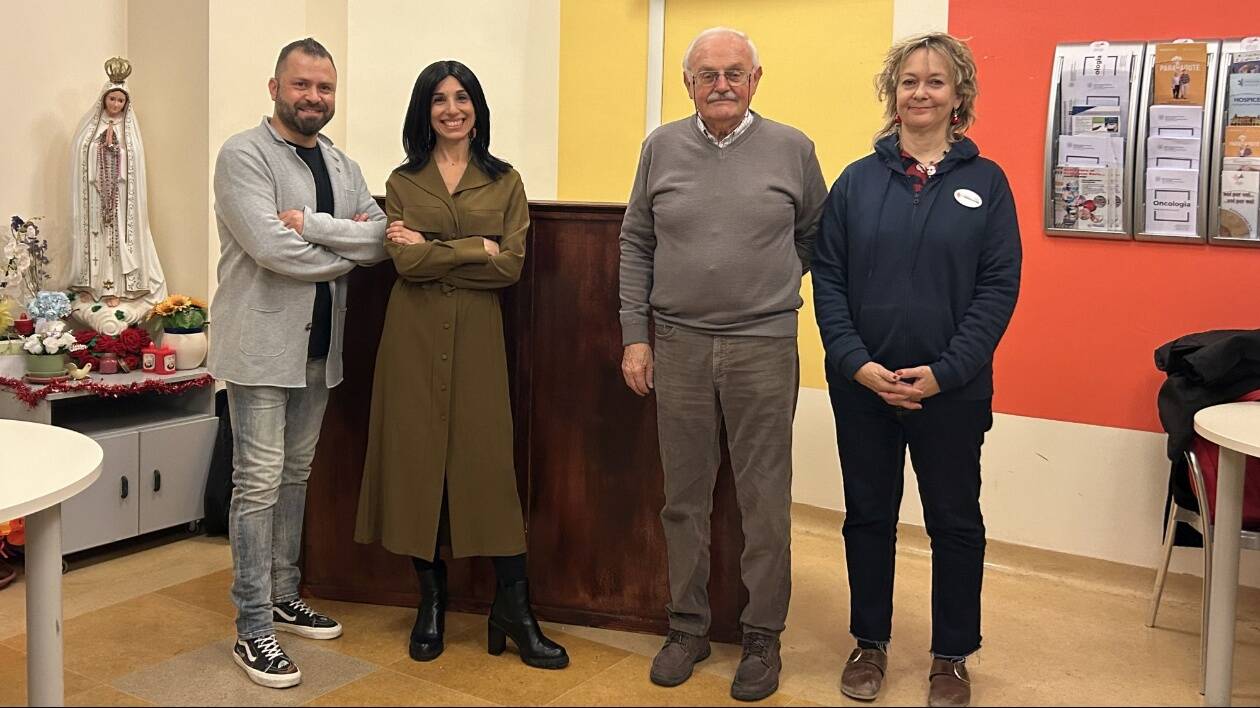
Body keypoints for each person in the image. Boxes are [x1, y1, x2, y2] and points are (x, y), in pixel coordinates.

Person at [811, 32, 1022, 707]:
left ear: (958, 96)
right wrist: (854, 362)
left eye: (935, 81)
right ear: (892, 94)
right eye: (908, 81)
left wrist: (947, 370)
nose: (920, 92)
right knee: (868, 517)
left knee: (955, 523)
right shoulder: (855, 181)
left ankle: (951, 657)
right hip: (862, 388)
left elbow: (998, 288)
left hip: (951, 394)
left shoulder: (987, 184)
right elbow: (829, 279)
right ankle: (868, 644)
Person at [618, 26, 826, 702]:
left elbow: (818, 240)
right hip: (675, 345)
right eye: (708, 74)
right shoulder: (661, 148)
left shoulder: (793, 149)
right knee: (683, 499)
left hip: (764, 345)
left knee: (763, 503)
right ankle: (687, 627)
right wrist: (635, 335)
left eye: (735, 73)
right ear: (688, 84)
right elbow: (636, 242)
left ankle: (763, 636)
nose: (722, 85)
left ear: (756, 80)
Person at [353, 60, 568, 671]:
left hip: (477, 338)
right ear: (425, 111)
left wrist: (438, 251)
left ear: (478, 107)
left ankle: (515, 609)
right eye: (440, 100)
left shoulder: (506, 182)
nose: (453, 109)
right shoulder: (403, 181)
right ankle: (431, 602)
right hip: (412, 337)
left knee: (485, 465)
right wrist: (476, 247)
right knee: (417, 462)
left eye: (463, 97)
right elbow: (405, 265)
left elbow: (511, 268)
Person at [209, 37, 387, 689]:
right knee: (257, 482)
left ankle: (284, 595)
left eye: (324, 88)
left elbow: (382, 233)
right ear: (275, 87)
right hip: (259, 348)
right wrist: (349, 254)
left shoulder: (341, 165)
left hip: (319, 349)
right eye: (302, 85)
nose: (313, 97)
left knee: (294, 476)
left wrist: (311, 225)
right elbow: (269, 248)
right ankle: (252, 627)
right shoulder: (243, 154)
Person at [68, 57, 168, 335]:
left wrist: (117, 151)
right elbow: (82, 156)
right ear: (104, 100)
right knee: (97, 239)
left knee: (120, 239)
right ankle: (95, 288)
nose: (115, 105)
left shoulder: (129, 131)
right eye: (112, 100)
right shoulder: (90, 129)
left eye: (120, 101)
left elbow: (134, 162)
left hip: (121, 200)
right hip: (97, 196)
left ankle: (120, 291)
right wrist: (101, 146)